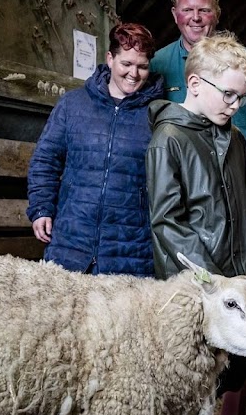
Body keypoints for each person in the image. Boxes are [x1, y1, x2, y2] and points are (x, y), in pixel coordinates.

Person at [146, 31, 246, 415]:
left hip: (238, 278)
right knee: (194, 374)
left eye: (241, 97)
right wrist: (213, 283)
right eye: (228, 94)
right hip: (201, 286)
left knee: (235, 370)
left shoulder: (236, 139)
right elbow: (167, 221)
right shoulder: (168, 139)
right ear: (194, 84)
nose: (236, 105)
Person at [27, 22, 164, 276]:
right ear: (110, 59)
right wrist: (41, 208)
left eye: (142, 66)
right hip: (71, 243)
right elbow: (46, 160)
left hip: (131, 251)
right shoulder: (73, 104)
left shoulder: (157, 114)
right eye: (126, 64)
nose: (134, 73)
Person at [150, 0, 246, 151]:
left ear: (217, 14)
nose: (196, 17)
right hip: (181, 172)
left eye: (204, 10)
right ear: (175, 14)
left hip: (240, 170)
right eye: (187, 10)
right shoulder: (157, 64)